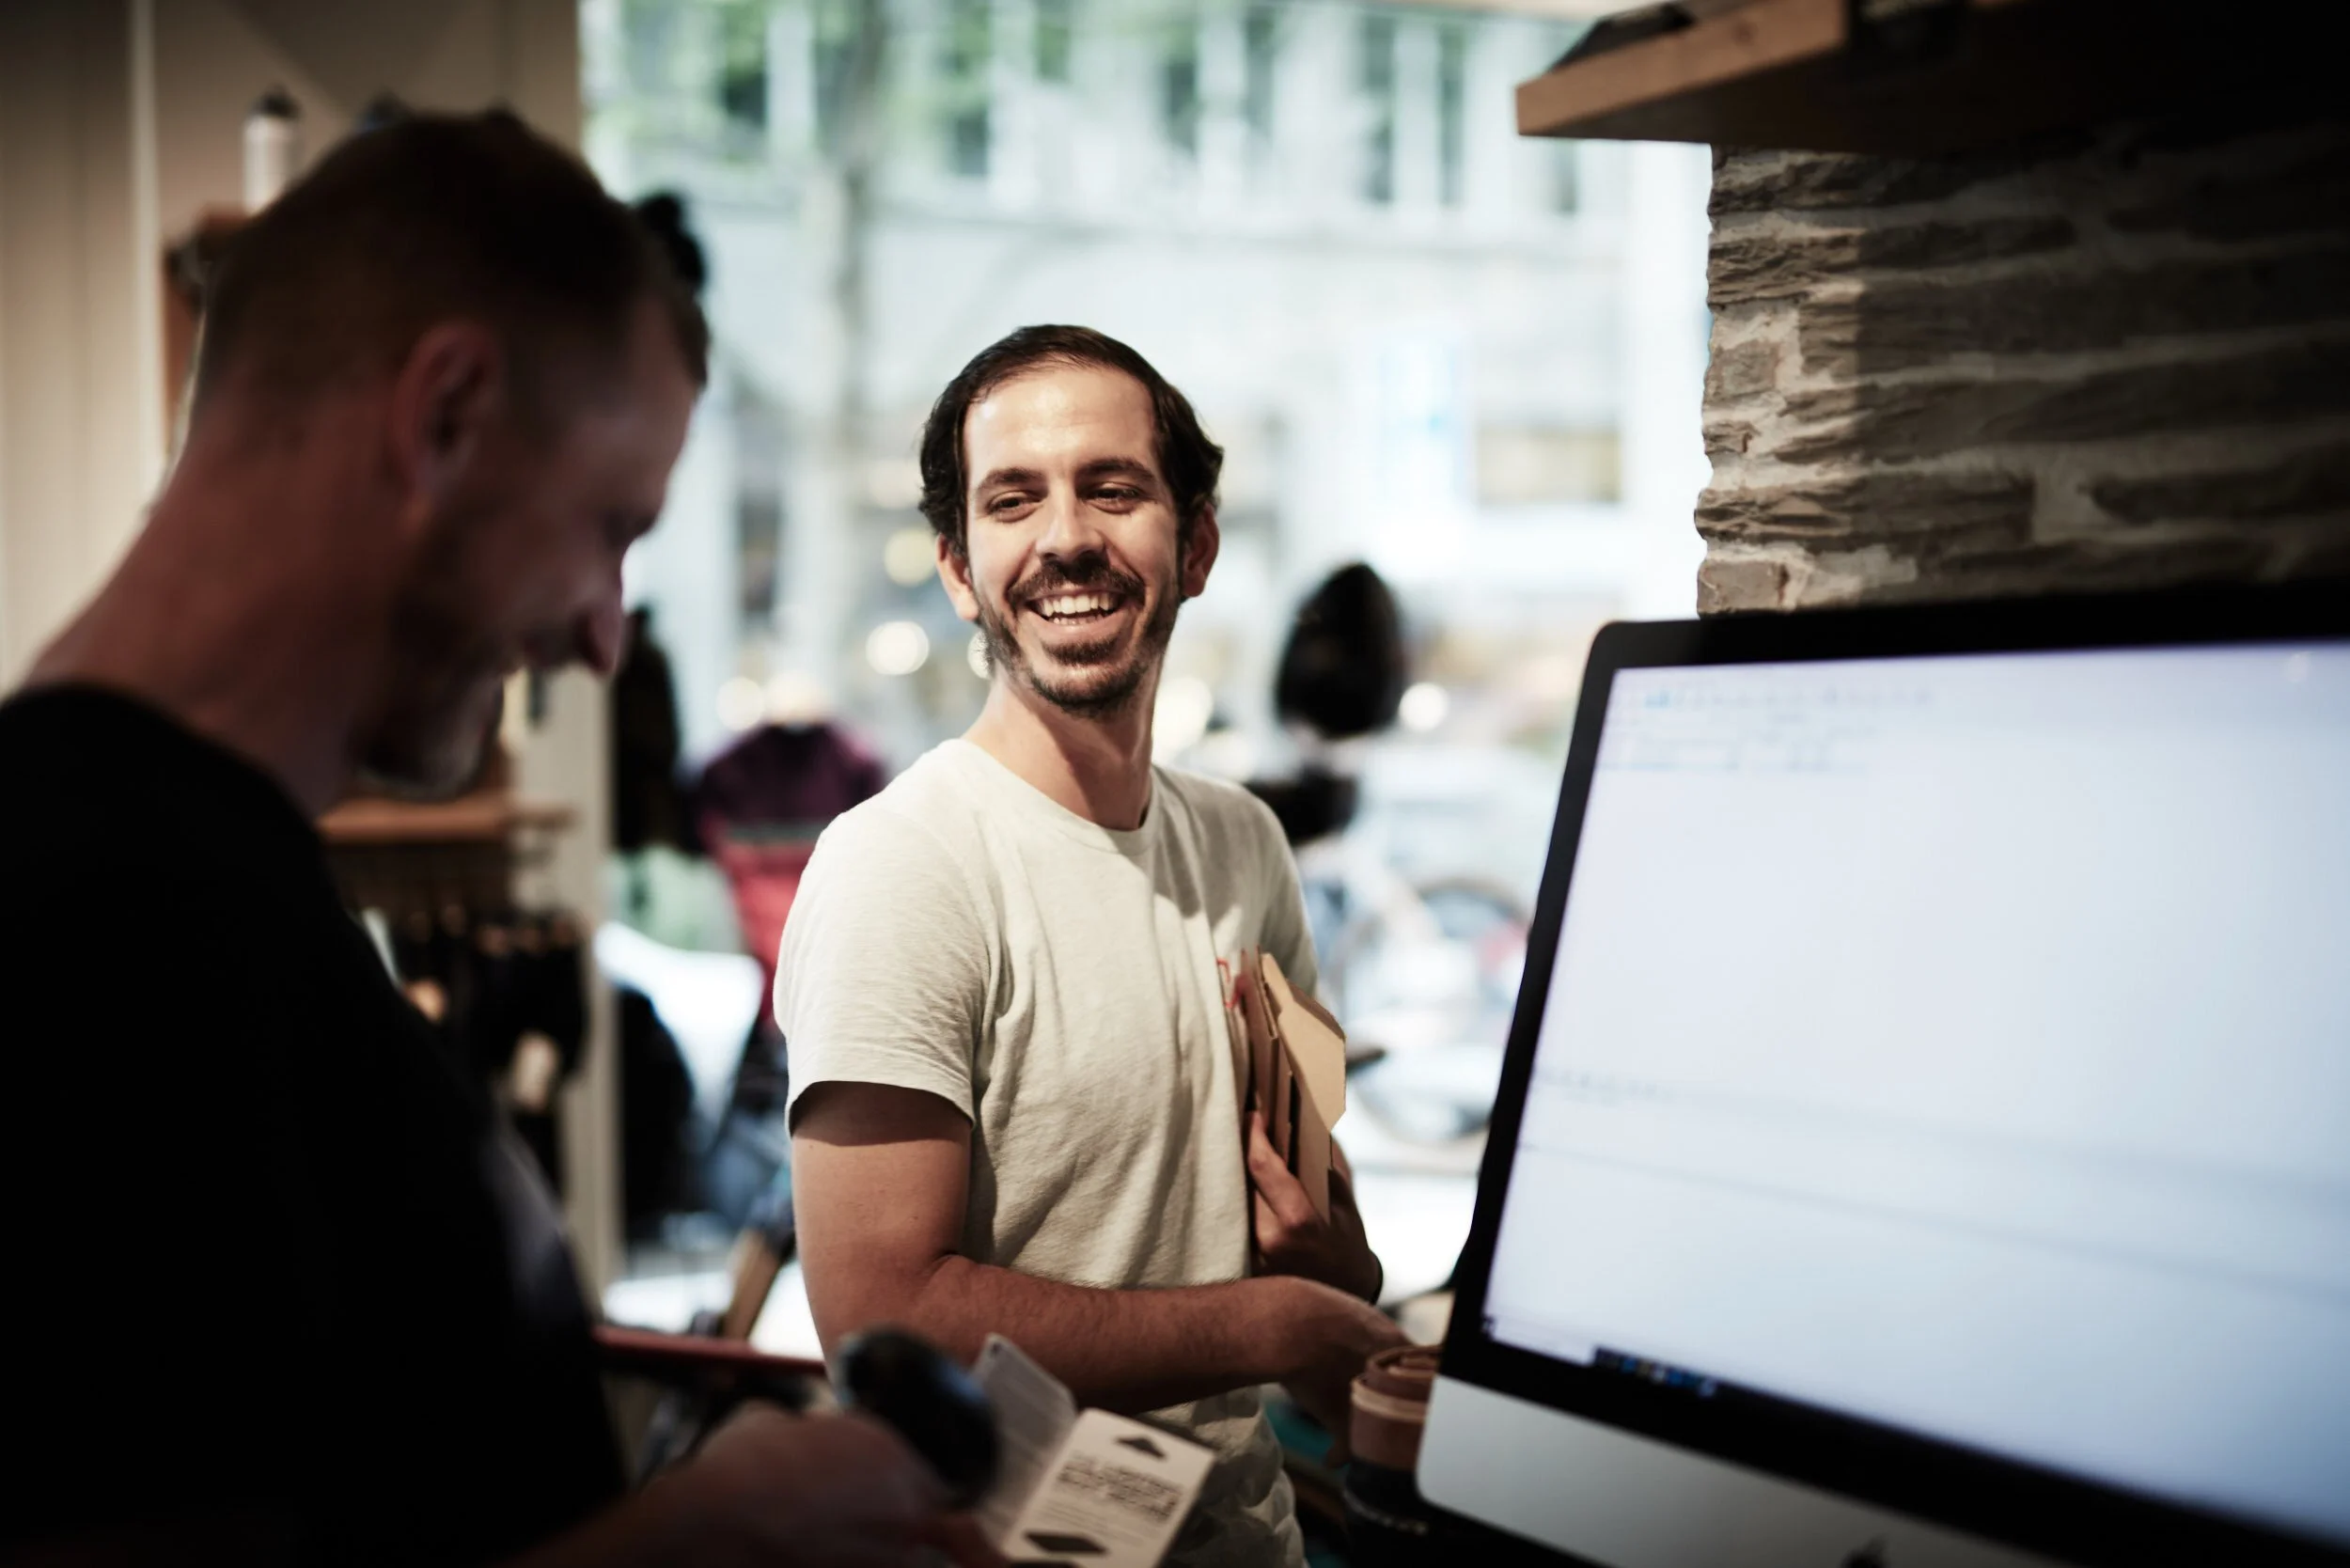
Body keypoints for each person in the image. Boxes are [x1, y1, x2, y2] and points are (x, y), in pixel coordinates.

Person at [0, 113, 985, 1567]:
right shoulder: (85, 924)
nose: (602, 638)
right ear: (445, 414)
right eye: (610, 528)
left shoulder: (219, 883)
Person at [779, 325, 1408, 1567]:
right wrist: (1275, 1327)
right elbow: (881, 1322)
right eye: (1014, 501)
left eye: (1113, 488)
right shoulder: (902, 865)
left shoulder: (1247, 848)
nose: (1067, 535)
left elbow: (1329, 1231)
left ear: (1200, 542)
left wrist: (1336, 1287)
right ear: (961, 570)